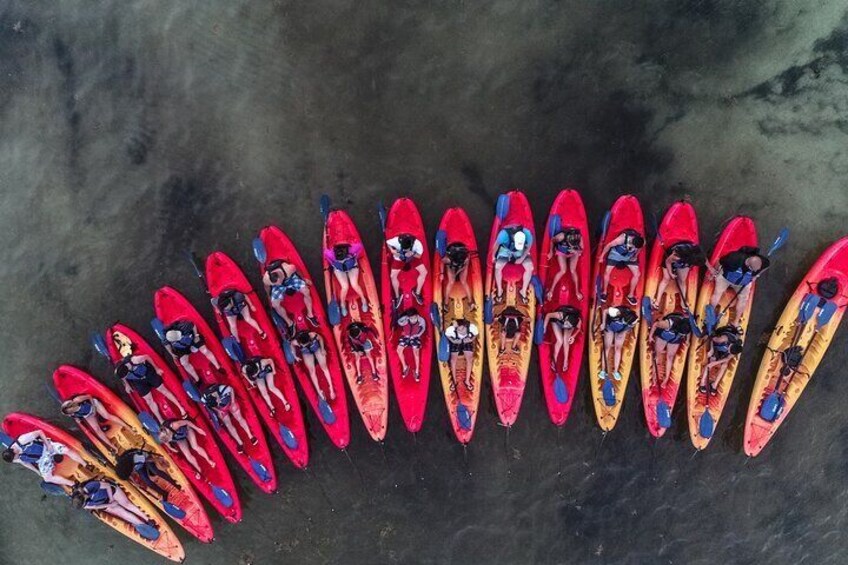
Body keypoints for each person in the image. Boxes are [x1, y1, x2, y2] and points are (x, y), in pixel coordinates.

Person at [112, 334, 184, 423]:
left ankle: (180, 408)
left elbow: (147, 357)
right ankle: (160, 420)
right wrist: (127, 386)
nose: (125, 377)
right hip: (138, 381)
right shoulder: (123, 373)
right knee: (149, 400)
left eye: (126, 375)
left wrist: (157, 369)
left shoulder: (135, 360)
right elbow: (123, 378)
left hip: (148, 373)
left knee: (163, 390)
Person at [2, 430, 89, 487]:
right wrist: (37, 471)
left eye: (15, 457)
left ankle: (85, 464)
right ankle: (73, 484)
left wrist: (48, 445)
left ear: (14, 451)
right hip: (42, 459)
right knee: (47, 478)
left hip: (45, 447)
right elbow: (25, 463)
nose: (16, 459)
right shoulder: (14, 458)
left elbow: (39, 432)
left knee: (66, 450)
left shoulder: (22, 440)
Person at [709, 246, 770, 325]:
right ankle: (710, 314)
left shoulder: (763, 262)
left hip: (743, 283)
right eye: (753, 270)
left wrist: (757, 275)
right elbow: (719, 261)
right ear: (748, 265)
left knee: (743, 299)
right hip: (725, 279)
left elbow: (767, 266)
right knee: (717, 293)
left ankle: (736, 321)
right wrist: (714, 273)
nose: (755, 271)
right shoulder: (734, 258)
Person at [71, 479, 157, 531]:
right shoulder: (85, 505)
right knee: (123, 513)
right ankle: (143, 525)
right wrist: (109, 505)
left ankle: (148, 519)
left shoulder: (91, 486)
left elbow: (107, 486)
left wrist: (112, 499)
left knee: (127, 505)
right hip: (105, 502)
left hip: (112, 492)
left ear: (83, 496)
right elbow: (96, 506)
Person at [200, 384, 258, 453]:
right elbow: (209, 405)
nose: (218, 402)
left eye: (218, 401)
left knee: (239, 417)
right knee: (228, 424)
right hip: (221, 409)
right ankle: (240, 443)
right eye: (217, 403)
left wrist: (233, 402)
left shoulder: (221, 389)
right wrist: (218, 410)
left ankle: (250, 436)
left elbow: (231, 389)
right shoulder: (205, 398)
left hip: (229, 402)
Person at [262, 259, 319, 327]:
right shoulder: (266, 279)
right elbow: (267, 287)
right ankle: (289, 322)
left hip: (290, 279)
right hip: (278, 287)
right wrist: (269, 296)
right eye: (276, 283)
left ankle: (310, 315)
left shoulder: (289, 269)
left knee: (306, 291)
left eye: (279, 281)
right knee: (275, 305)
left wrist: (304, 279)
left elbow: (297, 270)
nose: (279, 283)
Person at [60, 394, 126, 453]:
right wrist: (78, 420)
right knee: (96, 429)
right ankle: (112, 446)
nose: (71, 414)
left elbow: (89, 396)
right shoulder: (72, 414)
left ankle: (127, 426)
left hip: (93, 405)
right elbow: (76, 417)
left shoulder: (78, 400)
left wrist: (94, 408)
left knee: (106, 416)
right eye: (70, 413)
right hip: (87, 414)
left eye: (71, 412)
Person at [599, 229, 645, 306]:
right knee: (607, 272)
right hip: (616, 254)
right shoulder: (621, 239)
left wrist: (635, 256)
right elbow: (609, 245)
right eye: (633, 245)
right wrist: (601, 256)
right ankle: (604, 292)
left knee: (637, 274)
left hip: (629, 256)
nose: (633, 247)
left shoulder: (642, 241)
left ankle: (630, 295)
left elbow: (640, 248)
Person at [654, 242, 706, 309]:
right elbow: (668, 261)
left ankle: (683, 302)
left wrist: (711, 268)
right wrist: (671, 273)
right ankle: (657, 301)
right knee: (666, 279)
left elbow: (704, 260)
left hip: (683, 262)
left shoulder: (698, 253)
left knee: (682, 280)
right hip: (670, 259)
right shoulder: (678, 254)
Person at [115, 448, 180, 502]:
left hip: (145, 458)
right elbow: (130, 476)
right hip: (138, 466)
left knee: (156, 471)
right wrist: (135, 483)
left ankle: (175, 483)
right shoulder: (124, 466)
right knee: (148, 482)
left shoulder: (135, 458)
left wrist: (158, 459)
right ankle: (164, 493)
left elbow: (148, 459)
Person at [649, 312, 692, 388]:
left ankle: (666, 379)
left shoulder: (687, 324)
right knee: (657, 354)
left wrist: (687, 340)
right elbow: (656, 324)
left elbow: (688, 332)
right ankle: (653, 376)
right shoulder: (669, 323)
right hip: (663, 335)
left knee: (670, 357)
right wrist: (650, 336)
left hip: (675, 338)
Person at [698, 325, 744, 396]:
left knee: (725, 364)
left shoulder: (734, 351)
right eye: (729, 349)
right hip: (715, 345)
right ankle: (702, 383)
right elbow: (711, 338)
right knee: (710, 354)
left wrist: (715, 363)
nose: (729, 351)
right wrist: (712, 355)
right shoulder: (723, 339)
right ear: (731, 344)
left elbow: (727, 358)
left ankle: (714, 385)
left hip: (721, 352)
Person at [324, 242, 368, 315]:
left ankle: (364, 300)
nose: (342, 261)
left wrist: (355, 256)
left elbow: (360, 246)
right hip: (339, 269)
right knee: (345, 287)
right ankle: (342, 304)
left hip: (352, 266)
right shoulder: (330, 253)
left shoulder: (352, 249)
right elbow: (325, 253)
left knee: (354, 284)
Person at [493, 225, 534, 302]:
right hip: (506, 251)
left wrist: (522, 258)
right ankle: (500, 290)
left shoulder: (527, 234)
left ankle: (523, 291)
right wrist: (493, 256)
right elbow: (496, 245)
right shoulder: (503, 235)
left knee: (530, 267)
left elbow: (528, 246)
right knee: (497, 267)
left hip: (520, 252)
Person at [291, 330, 336, 401]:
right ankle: (319, 391)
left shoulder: (312, 335)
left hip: (316, 348)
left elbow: (320, 338)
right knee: (312, 371)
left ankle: (331, 388)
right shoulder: (296, 342)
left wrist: (322, 348)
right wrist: (295, 356)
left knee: (324, 367)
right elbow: (292, 345)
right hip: (306, 353)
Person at [599, 306, 638, 381]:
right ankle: (603, 370)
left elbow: (631, 326)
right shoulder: (617, 312)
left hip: (621, 330)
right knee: (607, 347)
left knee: (618, 349)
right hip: (610, 327)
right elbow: (605, 311)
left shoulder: (634, 320)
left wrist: (623, 332)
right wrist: (603, 324)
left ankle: (616, 371)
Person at [386, 233, 426, 303]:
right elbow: (388, 243)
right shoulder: (396, 240)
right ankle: (397, 296)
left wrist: (412, 253)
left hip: (413, 258)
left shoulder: (417, 244)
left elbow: (419, 256)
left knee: (424, 272)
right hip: (399, 259)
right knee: (392, 276)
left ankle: (417, 293)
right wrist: (392, 250)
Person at [547, 227, 584, 301]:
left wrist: (576, 251)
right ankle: (551, 291)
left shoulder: (579, 237)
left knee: (573, 270)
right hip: (562, 252)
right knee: (563, 270)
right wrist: (551, 251)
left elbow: (582, 249)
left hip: (573, 253)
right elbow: (552, 241)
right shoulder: (561, 236)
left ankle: (577, 292)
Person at [543, 305, 582, 373]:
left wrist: (573, 336)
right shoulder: (560, 315)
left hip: (570, 321)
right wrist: (544, 328)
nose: (566, 327)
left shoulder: (577, 321)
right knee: (560, 341)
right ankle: (554, 361)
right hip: (557, 321)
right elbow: (548, 315)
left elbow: (579, 328)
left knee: (566, 340)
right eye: (567, 325)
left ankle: (565, 361)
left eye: (568, 326)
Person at [444, 319, 478, 392]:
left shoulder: (471, 327)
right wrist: (453, 341)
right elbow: (447, 335)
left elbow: (475, 334)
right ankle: (454, 381)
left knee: (470, 360)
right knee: (453, 361)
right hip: (456, 341)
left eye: (461, 328)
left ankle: (467, 381)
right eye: (457, 328)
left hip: (467, 341)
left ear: (465, 325)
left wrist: (471, 339)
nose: (459, 330)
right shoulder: (451, 329)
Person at [441, 241, 475, 309]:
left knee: (463, 281)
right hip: (451, 265)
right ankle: (446, 303)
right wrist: (441, 273)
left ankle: (471, 302)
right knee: (451, 282)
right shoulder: (447, 259)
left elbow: (464, 266)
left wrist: (457, 273)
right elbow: (441, 262)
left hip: (462, 265)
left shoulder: (466, 258)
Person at [395, 307, 426, 382]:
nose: (412, 319)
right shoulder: (406, 319)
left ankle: (417, 371)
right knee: (398, 350)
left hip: (415, 337)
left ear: (416, 315)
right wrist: (405, 320)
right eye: (410, 317)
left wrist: (418, 335)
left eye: (414, 317)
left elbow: (423, 328)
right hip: (406, 336)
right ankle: (405, 367)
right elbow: (399, 322)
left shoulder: (421, 320)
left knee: (416, 353)